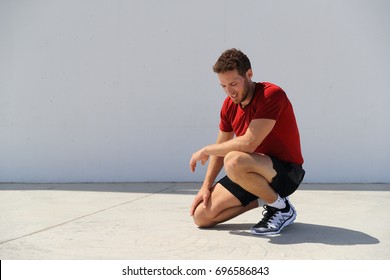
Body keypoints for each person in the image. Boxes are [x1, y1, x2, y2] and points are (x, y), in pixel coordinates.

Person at [189, 48, 305, 235]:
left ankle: (282, 209)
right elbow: (220, 149)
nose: (229, 92)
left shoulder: (271, 95)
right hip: (248, 173)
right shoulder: (229, 105)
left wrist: (206, 150)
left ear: (249, 74)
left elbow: (248, 144)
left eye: (233, 83)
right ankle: (271, 199)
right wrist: (205, 187)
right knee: (202, 216)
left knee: (234, 159)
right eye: (223, 86)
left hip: (286, 173)